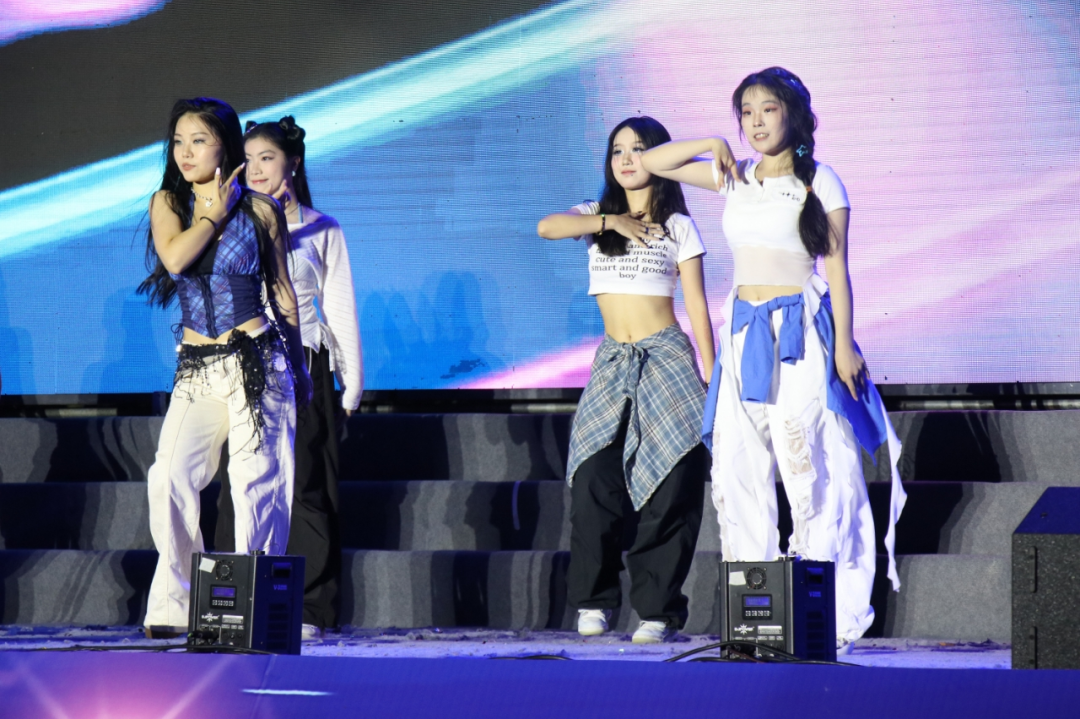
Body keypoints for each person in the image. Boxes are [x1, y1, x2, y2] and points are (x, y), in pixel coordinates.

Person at [641, 67, 906, 651]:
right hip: (743, 337)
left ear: (795, 114)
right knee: (739, 469)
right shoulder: (735, 175)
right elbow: (652, 161)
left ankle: (821, 614)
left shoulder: (821, 181)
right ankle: (754, 620)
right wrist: (712, 143)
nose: (756, 122)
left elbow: (837, 271)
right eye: (746, 112)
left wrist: (844, 345)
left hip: (800, 338)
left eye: (768, 109)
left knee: (809, 466)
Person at [138, 97, 312, 638]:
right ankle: (175, 604)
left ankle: (254, 612)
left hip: (257, 361)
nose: (185, 152)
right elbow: (175, 258)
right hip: (198, 369)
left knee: (256, 483)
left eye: (199, 140)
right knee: (168, 475)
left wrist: (302, 367)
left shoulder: (261, 211)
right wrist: (214, 211)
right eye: (178, 141)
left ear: (226, 147)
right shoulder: (169, 202)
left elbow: (282, 293)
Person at [537, 116, 714, 644]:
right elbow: (546, 227)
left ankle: (658, 610)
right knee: (594, 477)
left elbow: (698, 306)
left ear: (659, 156)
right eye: (618, 150)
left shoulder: (678, 226)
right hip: (614, 361)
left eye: (639, 148)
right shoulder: (594, 215)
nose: (627, 158)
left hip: (667, 359)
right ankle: (594, 600)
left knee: (674, 481)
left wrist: (713, 375)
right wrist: (609, 222)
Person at [214, 116, 363, 640]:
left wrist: (352, 381)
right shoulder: (230, 224)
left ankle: (309, 607)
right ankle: (233, 604)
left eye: (267, 158)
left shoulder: (322, 227)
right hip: (241, 362)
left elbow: (338, 305)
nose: (255, 169)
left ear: (292, 163)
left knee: (306, 482)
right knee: (241, 483)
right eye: (248, 159)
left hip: (303, 361)